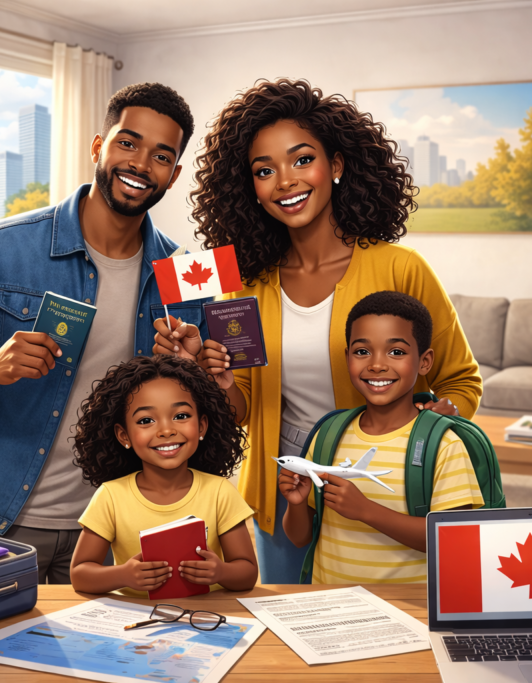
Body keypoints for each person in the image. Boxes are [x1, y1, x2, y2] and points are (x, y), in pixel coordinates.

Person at [156, 78, 482, 584]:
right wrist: (211, 381)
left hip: (386, 487)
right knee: (291, 638)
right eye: (265, 171)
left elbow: (461, 379)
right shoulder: (245, 285)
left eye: (302, 160)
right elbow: (241, 408)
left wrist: (443, 412)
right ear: (252, 189)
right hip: (286, 491)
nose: (285, 181)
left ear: (338, 165)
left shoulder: (402, 268)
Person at [0, 83, 209, 584]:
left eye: (161, 155)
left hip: (114, 534)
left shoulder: (185, 274)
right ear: (97, 146)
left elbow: (215, 416)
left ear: (174, 173)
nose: (141, 164)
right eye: (128, 143)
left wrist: (198, 377)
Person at [280, 291, 485, 583]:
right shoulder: (327, 435)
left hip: (410, 613)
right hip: (331, 607)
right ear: (347, 356)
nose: (376, 364)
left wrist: (366, 511)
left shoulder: (443, 444)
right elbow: (300, 538)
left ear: (424, 361)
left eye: (396, 352)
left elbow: (453, 540)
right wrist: (296, 502)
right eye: (362, 351)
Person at [70, 355, 258, 597]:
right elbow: (80, 575)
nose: (167, 430)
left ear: (201, 426)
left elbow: (248, 573)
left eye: (181, 416)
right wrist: (123, 575)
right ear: (123, 435)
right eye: (146, 420)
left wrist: (220, 572)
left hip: (206, 620)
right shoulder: (110, 496)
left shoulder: (220, 492)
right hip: (135, 623)